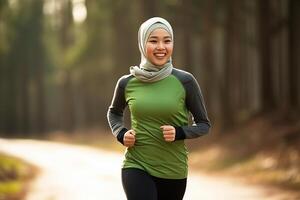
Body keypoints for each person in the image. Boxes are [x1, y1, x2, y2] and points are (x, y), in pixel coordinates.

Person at [107, 17, 211, 200]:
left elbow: (204, 124)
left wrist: (179, 132)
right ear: (142, 43)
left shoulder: (185, 81)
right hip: (136, 165)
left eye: (167, 41)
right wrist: (121, 133)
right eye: (153, 41)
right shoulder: (127, 82)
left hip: (173, 170)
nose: (161, 47)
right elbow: (114, 112)